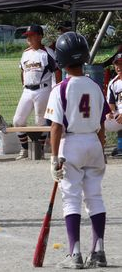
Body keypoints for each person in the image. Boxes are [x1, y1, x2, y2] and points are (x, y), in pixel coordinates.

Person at [44, 32, 109, 269]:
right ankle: (99, 251)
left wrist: (53, 159)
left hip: (70, 144)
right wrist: (100, 150)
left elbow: (55, 127)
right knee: (94, 197)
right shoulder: (95, 85)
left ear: (61, 59)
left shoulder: (60, 89)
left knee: (70, 198)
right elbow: (102, 124)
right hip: (93, 142)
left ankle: (75, 254)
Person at [13, 24, 61, 160]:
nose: (29, 38)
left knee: (40, 122)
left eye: (32, 35)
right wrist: (24, 83)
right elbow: (22, 70)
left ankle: (39, 149)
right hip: (27, 90)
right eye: (27, 36)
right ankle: (24, 148)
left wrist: (56, 89)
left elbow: (56, 70)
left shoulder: (47, 53)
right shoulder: (25, 53)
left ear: (40, 36)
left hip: (43, 89)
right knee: (17, 120)